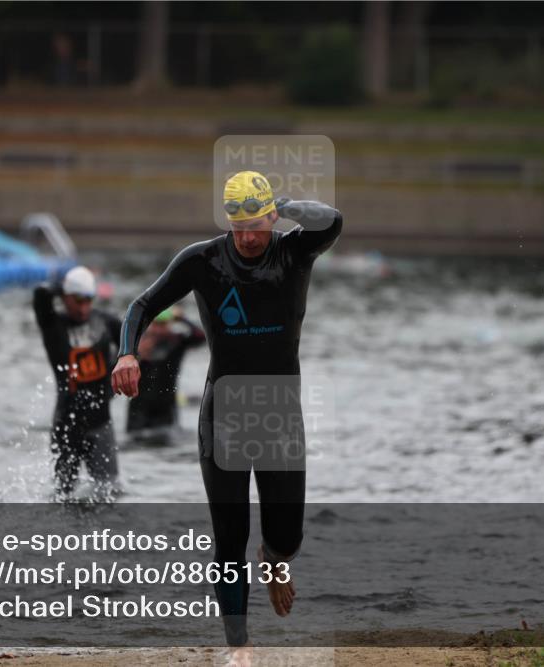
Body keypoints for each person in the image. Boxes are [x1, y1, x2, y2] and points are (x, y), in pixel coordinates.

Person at [111, 170, 342, 665]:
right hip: (224, 410)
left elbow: (332, 221)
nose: (249, 238)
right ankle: (239, 646)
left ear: (270, 217)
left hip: (279, 411)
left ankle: (275, 563)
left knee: (287, 535)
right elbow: (142, 304)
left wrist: (288, 206)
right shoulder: (203, 260)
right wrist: (127, 353)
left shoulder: (293, 250)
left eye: (256, 226)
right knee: (229, 535)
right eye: (238, 229)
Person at [33, 266, 123, 501]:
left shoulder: (106, 322)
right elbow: (40, 295)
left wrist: (115, 382)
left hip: (101, 423)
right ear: (65, 298)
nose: (84, 308)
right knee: (63, 496)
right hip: (66, 425)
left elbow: (133, 348)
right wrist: (64, 285)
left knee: (109, 493)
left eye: (88, 300)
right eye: (77, 301)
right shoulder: (53, 325)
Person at [126, 306, 205, 444]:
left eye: (163, 325)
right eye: (155, 324)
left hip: (166, 409)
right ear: (149, 324)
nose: (158, 329)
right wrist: (136, 355)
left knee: (167, 444)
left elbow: (201, 336)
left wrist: (182, 318)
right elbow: (117, 369)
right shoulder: (137, 343)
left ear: (169, 324)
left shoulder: (176, 342)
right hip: (139, 409)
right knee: (134, 443)